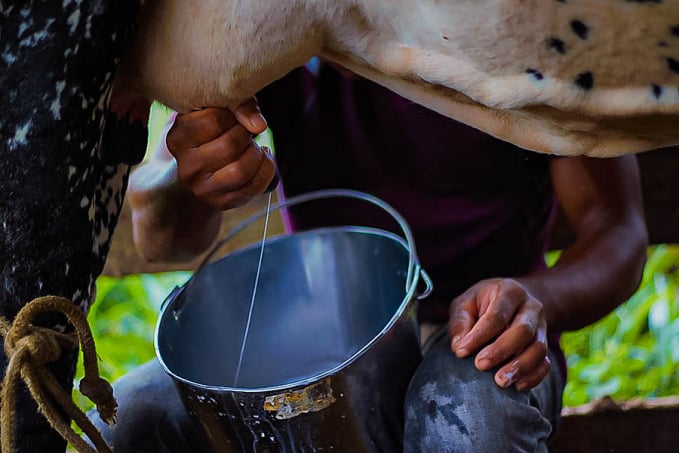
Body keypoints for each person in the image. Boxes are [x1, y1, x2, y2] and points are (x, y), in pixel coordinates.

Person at [90, 60, 648, 452]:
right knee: (128, 419)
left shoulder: (516, 39)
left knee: (468, 414)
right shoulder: (270, 38)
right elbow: (162, 236)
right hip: (333, 330)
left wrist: (535, 299)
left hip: (481, 333)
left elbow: (617, 230)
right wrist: (192, 171)